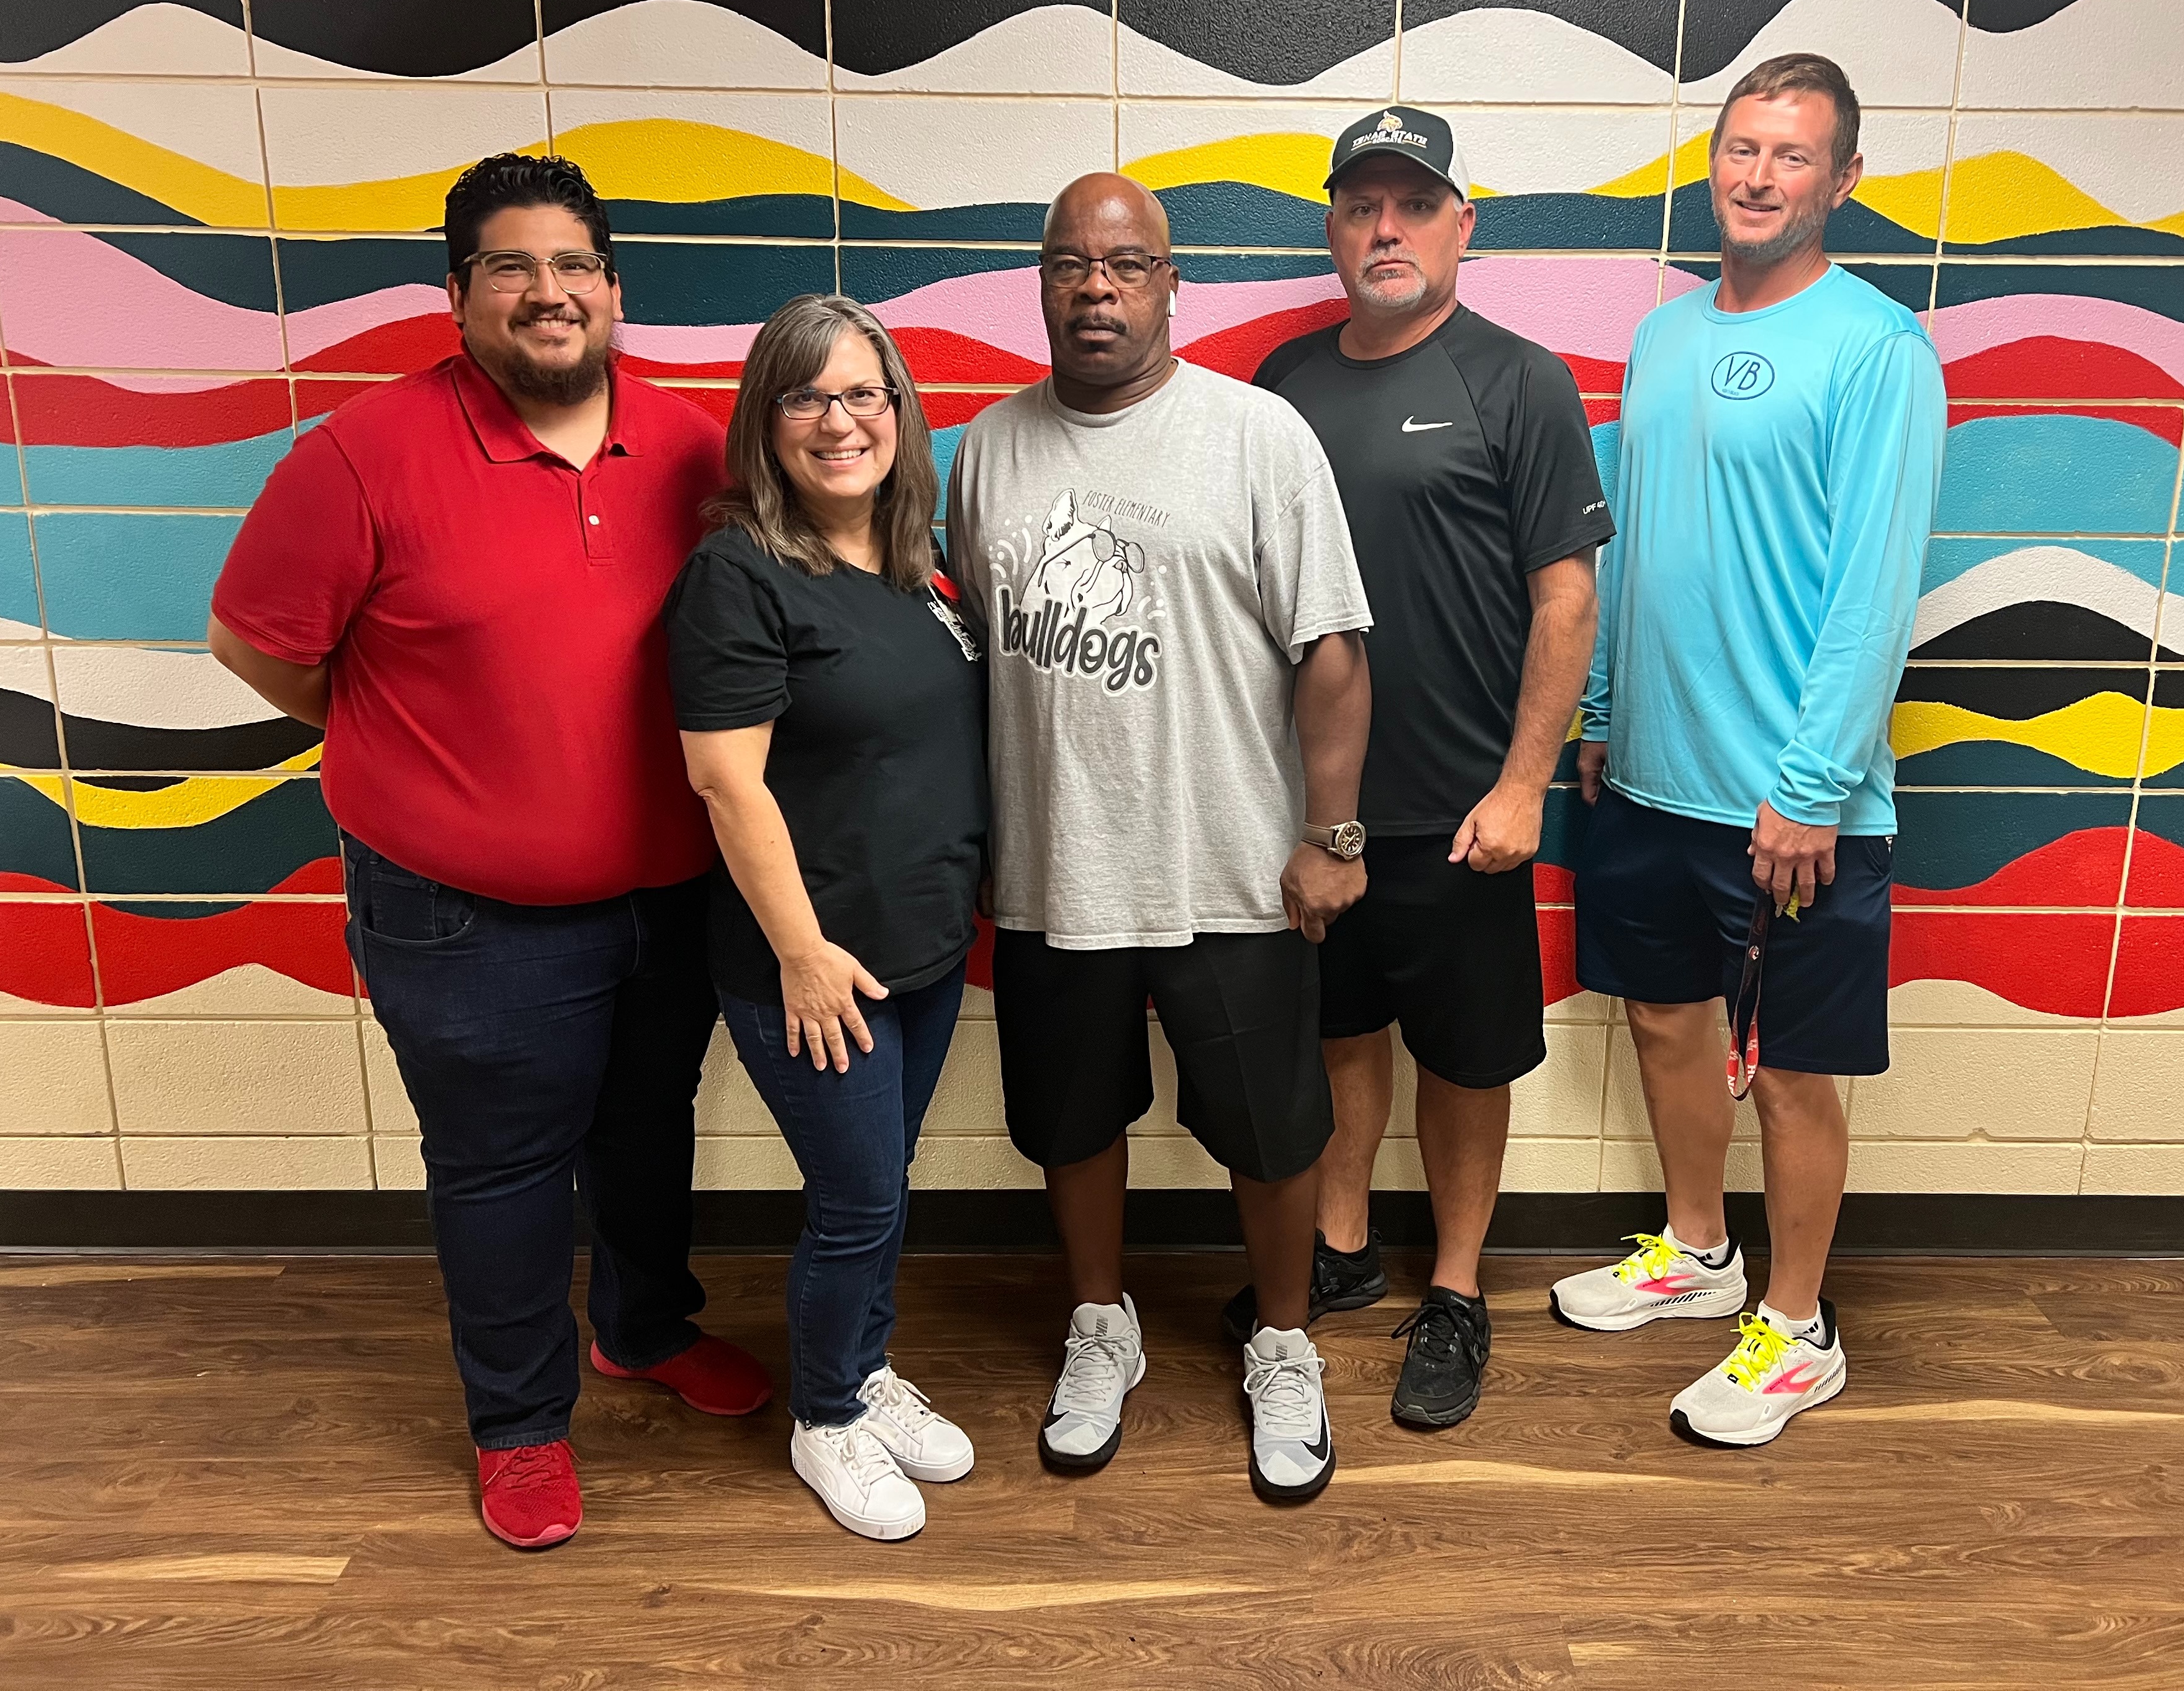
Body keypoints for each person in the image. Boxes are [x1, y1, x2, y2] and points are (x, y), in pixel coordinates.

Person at [207, 154, 771, 1551]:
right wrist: (416, 742)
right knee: (503, 1169)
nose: (549, 292)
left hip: (668, 893)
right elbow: (256, 645)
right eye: (511, 267)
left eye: (574, 265)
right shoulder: (360, 456)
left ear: (614, 290)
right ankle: (518, 1427)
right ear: (459, 294)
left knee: (645, 1133)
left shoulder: (695, 447)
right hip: (467, 922)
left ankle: (641, 1330)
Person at [945, 175, 1374, 1504]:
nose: (1096, 287)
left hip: (1232, 868)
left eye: (1126, 265)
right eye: (1069, 264)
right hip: (1055, 870)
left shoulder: (1257, 436)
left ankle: (1287, 1345)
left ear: (1171, 282)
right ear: (1040, 283)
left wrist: (1330, 834)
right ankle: (1100, 1327)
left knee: (1272, 1131)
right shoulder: (989, 450)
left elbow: (1336, 654)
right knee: (1071, 1122)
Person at [1554, 55, 1947, 1448]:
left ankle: (1795, 1326)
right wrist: (1599, 716)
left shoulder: (1880, 349)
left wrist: (1811, 783)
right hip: (1652, 779)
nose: (1758, 176)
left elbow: (1873, 589)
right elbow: (1628, 539)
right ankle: (1698, 1248)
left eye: (1791, 155)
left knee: (1789, 1070)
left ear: (1843, 180)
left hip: (1797, 806)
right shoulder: (1663, 338)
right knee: (1665, 1024)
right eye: (1740, 149)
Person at [1251, 106, 1610, 1430]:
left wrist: (1525, 786)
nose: (1385, 229)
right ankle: (1340, 1252)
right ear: (1335, 229)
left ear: (1463, 225)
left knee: (1464, 1061)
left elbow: (1566, 599)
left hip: (1467, 814)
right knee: (1339, 1037)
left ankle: (1454, 1290)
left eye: (1414, 205)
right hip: (1319, 816)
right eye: (1362, 207)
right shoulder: (1283, 387)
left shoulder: (1519, 380)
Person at [665, 295, 987, 1543]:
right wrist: (800, 953)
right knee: (855, 1200)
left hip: (921, 949)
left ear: (900, 416)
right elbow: (724, 779)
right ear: (768, 422)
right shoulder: (738, 573)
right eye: (807, 396)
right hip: (812, 965)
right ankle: (823, 1416)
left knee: (883, 1187)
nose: (839, 420)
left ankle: (863, 1366)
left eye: (864, 394)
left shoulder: (917, 572)